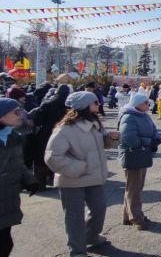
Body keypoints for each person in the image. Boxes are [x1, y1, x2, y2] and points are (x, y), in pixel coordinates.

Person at [44, 92, 119, 257]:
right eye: (94, 102)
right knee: (74, 218)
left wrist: (112, 138)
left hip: (94, 177)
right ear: (84, 105)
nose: (98, 104)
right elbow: (52, 157)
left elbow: (104, 144)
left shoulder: (95, 123)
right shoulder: (65, 129)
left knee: (99, 208)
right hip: (71, 180)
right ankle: (77, 251)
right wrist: (79, 168)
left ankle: (90, 236)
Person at [0, 98, 39, 257]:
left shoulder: (12, 135)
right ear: (1, 116)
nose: (21, 115)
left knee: (5, 243)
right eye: (16, 112)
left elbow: (17, 162)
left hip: (7, 200)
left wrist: (29, 180)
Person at [118, 93, 161, 230]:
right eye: (146, 103)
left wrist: (156, 139)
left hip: (142, 154)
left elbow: (154, 130)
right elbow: (129, 137)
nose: (148, 105)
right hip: (133, 155)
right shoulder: (129, 117)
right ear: (137, 104)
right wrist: (148, 142)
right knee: (134, 189)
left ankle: (128, 216)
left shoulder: (143, 115)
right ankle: (136, 218)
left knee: (135, 187)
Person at [27, 84, 71, 190]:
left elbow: (37, 121)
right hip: (65, 134)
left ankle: (40, 184)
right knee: (61, 157)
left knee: (41, 159)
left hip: (46, 134)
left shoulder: (47, 103)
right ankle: (57, 180)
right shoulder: (70, 106)